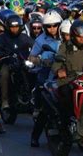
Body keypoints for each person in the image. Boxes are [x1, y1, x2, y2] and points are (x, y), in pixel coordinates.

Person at [28, 10, 62, 147]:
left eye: (55, 25)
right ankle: (35, 136)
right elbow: (31, 57)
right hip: (48, 72)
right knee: (46, 106)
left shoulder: (68, 36)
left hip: (67, 71)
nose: (52, 28)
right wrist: (43, 61)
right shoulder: (41, 40)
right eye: (48, 26)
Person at [0, 13, 34, 110]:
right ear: (8, 27)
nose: (14, 29)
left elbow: (34, 46)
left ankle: (33, 97)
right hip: (8, 62)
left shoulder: (24, 37)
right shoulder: (2, 37)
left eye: (16, 27)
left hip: (22, 62)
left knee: (33, 71)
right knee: (4, 73)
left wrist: (35, 56)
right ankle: (5, 100)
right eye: (12, 27)